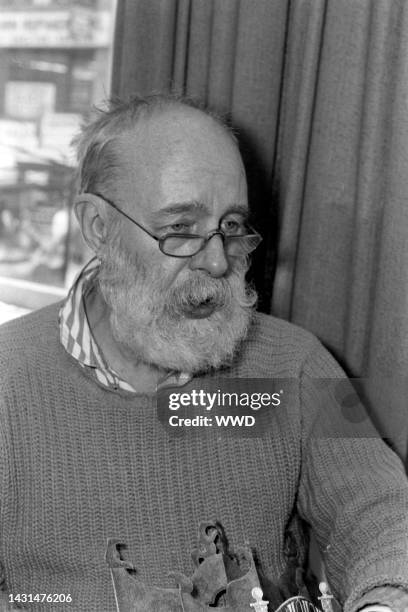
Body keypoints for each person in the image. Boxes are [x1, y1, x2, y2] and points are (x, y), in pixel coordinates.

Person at [0, 94, 407, 612]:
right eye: (180, 229)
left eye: (231, 227)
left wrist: (384, 602)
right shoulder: (7, 384)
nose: (216, 261)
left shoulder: (298, 364)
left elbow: (380, 506)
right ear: (98, 227)